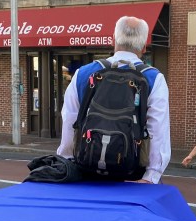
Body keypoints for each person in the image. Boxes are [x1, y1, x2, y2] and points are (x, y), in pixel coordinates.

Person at [57, 16, 171, 183]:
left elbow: (69, 122)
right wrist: (151, 176)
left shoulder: (83, 74)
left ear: (113, 40)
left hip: (86, 169)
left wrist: (68, 162)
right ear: (144, 47)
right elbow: (158, 129)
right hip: (133, 174)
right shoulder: (154, 79)